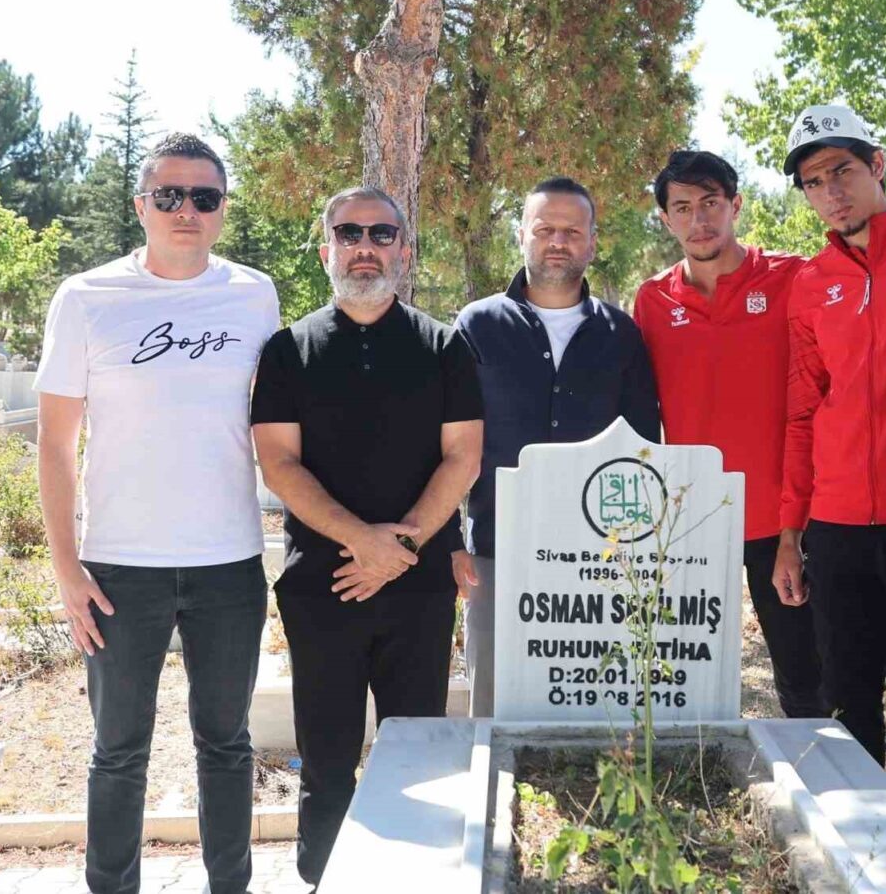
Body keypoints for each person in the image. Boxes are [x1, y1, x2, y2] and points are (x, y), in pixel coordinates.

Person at [35, 132, 279, 894]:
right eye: (168, 196)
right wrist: (67, 568)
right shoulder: (85, 297)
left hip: (230, 564)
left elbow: (278, 426)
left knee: (227, 746)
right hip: (118, 571)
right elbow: (53, 441)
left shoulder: (255, 294)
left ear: (222, 210)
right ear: (141, 205)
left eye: (203, 197)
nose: (185, 211)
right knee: (117, 753)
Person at [251, 186, 482, 885]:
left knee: (419, 754)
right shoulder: (288, 351)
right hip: (323, 588)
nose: (365, 246)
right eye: (348, 233)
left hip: (420, 588)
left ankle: (417, 881)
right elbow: (278, 462)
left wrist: (401, 549)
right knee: (326, 760)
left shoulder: (446, 345)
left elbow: (463, 455)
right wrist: (367, 544)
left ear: (403, 252)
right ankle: (324, 880)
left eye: (382, 235)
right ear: (326, 249)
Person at [454, 176, 659, 717]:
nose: (557, 242)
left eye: (572, 230)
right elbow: (447, 444)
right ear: (521, 234)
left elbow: (642, 449)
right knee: (494, 708)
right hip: (496, 549)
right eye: (545, 229)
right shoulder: (476, 326)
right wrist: (450, 540)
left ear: (593, 241)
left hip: (598, 555)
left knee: (592, 704)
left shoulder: (622, 334)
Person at [773, 104, 886, 764]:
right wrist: (791, 534)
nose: (830, 191)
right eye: (813, 182)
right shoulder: (812, 283)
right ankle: (859, 847)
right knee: (845, 700)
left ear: (877, 165)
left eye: (841, 170)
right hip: (837, 528)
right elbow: (802, 412)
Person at [634, 149, 822, 717]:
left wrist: (797, 525)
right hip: (695, 521)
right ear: (667, 220)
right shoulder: (652, 300)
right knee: (688, 680)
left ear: (736, 205)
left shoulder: (794, 278)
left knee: (805, 677)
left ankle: (819, 790)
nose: (700, 219)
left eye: (711, 203)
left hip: (784, 518)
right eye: (683, 207)